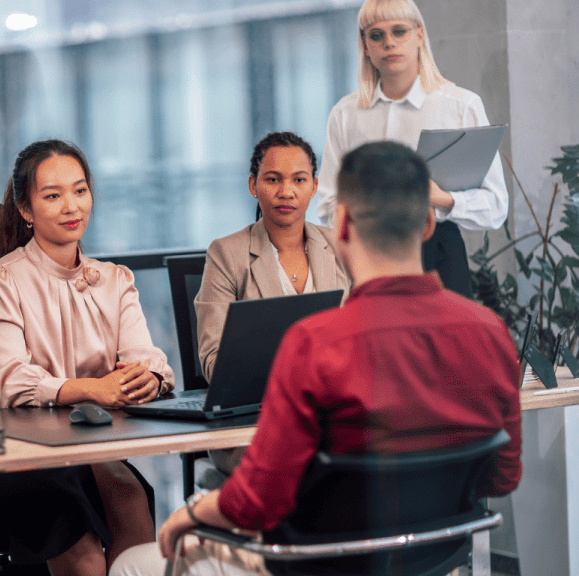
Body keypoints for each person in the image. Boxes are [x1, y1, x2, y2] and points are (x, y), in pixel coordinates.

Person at [109, 141, 523, 576]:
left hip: (318, 564)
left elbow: (257, 502)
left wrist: (192, 512)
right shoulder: (491, 333)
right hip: (434, 557)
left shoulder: (315, 343)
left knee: (129, 566)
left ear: (341, 223)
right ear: (428, 224)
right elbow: (502, 477)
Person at [0, 139, 176, 576]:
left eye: (80, 191)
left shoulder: (115, 279)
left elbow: (151, 359)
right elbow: (8, 385)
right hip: (18, 455)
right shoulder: (0, 281)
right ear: (25, 209)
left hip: (88, 447)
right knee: (84, 553)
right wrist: (92, 389)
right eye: (53, 195)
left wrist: (150, 378)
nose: (71, 206)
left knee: (131, 499)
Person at [315, 0, 509, 299]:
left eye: (399, 31)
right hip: (369, 255)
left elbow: (496, 206)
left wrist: (442, 199)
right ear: (365, 46)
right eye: (376, 35)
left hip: (440, 254)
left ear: (419, 35)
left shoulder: (460, 106)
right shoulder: (346, 114)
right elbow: (328, 204)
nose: (389, 43)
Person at [194, 131, 349, 479]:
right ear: (253, 185)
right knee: (313, 468)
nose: (286, 191)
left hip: (331, 417)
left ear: (315, 186)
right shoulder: (226, 254)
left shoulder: (339, 247)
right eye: (273, 179)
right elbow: (214, 365)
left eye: (299, 180)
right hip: (254, 428)